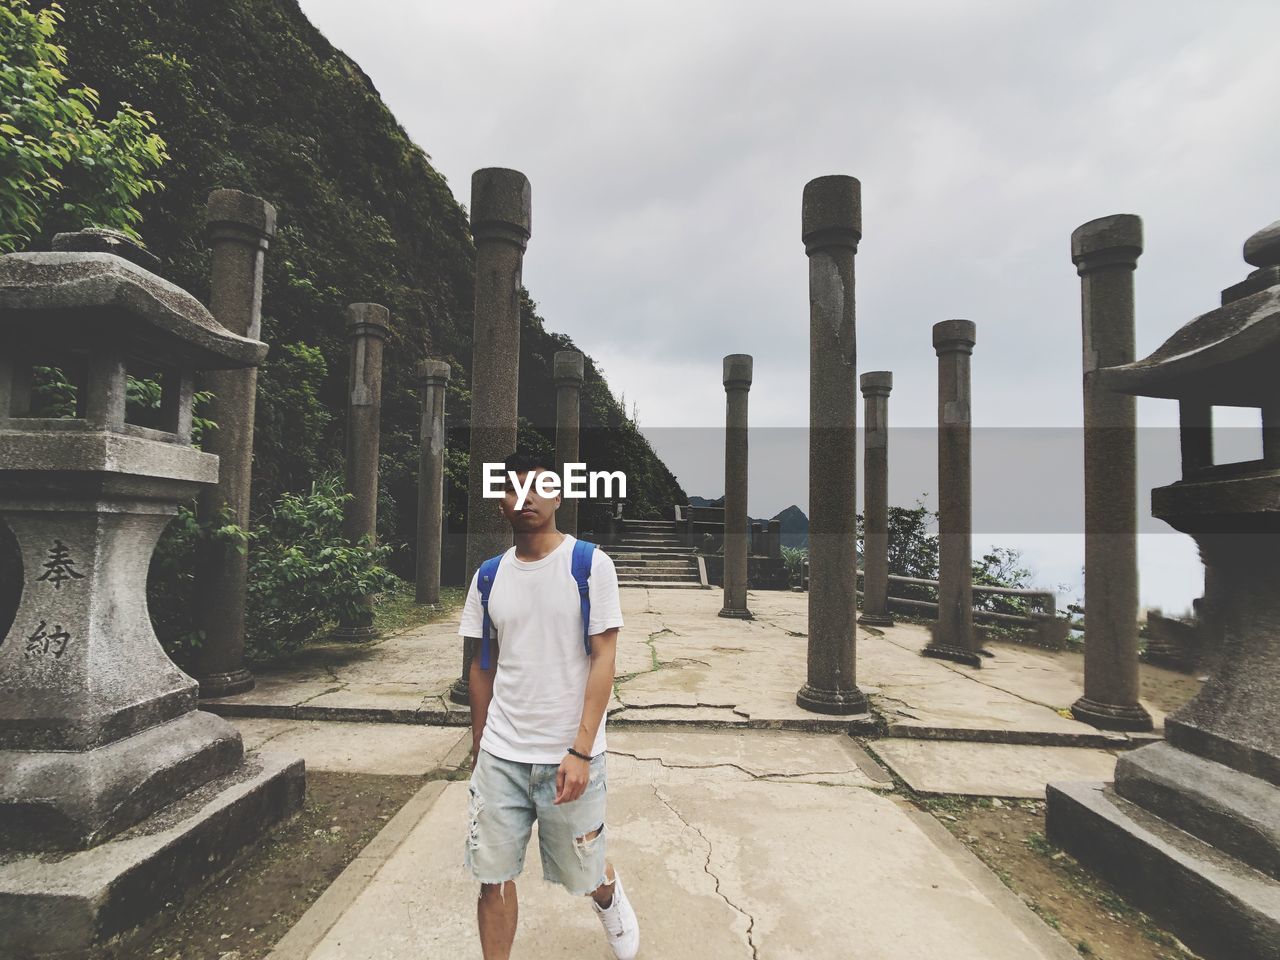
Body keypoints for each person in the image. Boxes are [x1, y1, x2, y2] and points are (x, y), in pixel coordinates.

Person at [459, 450, 640, 960]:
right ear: (502, 503)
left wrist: (581, 751)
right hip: (502, 753)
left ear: (558, 496)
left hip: (569, 753)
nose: (526, 497)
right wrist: (479, 747)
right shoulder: (488, 576)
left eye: (538, 486)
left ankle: (608, 895)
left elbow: (604, 657)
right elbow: (481, 665)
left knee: (583, 871)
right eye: (514, 488)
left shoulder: (589, 565)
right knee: (491, 877)